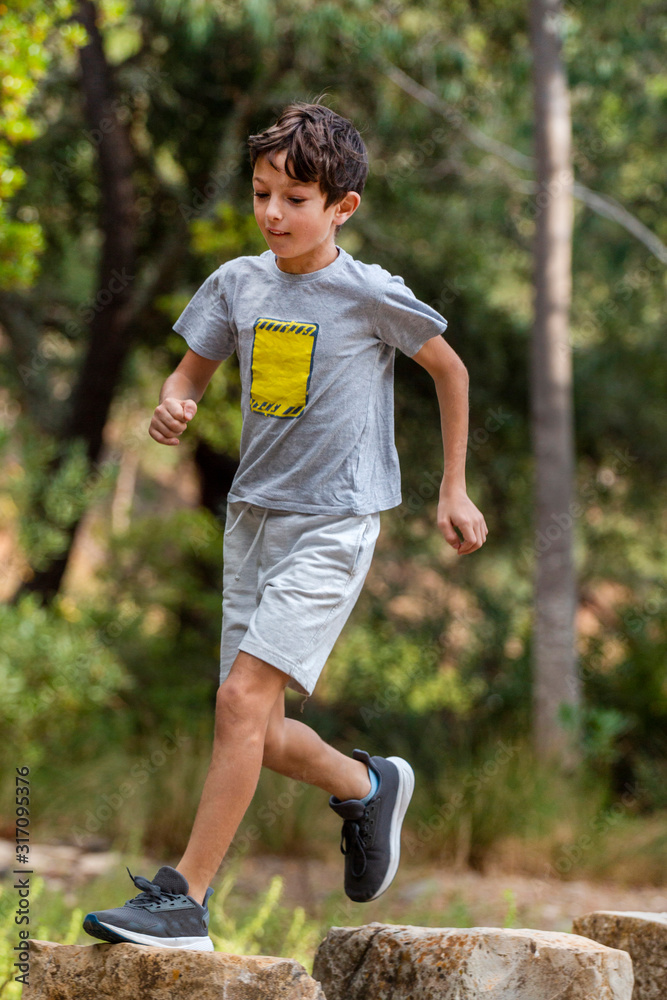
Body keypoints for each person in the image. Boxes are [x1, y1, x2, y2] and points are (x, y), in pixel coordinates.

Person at [83, 102, 487, 951]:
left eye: (295, 198)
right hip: (253, 521)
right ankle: (365, 785)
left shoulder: (368, 292)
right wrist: (173, 405)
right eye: (263, 192)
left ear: (342, 206)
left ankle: (184, 901)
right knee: (256, 733)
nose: (272, 213)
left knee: (238, 701)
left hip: (333, 523)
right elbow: (188, 372)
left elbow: (448, 371)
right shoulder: (237, 282)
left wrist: (452, 489)